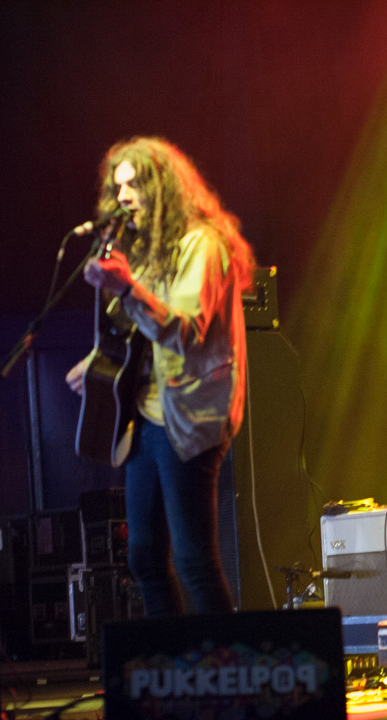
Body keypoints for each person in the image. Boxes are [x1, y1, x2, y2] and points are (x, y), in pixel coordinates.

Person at [66, 137, 256, 616]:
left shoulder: (203, 245)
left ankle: (223, 673)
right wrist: (95, 364)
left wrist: (127, 286)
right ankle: (168, 671)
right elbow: (137, 334)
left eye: (134, 184)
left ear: (164, 188)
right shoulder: (147, 254)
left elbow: (184, 331)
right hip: (145, 420)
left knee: (194, 561)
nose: (123, 195)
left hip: (189, 418)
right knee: (146, 558)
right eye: (118, 186)